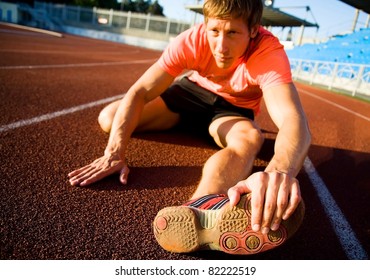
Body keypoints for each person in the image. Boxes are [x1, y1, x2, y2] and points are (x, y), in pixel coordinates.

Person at [68, 0, 311, 255]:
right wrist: (114, 153)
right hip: (190, 94)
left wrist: (278, 172)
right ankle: (183, 126)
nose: (221, 46)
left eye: (232, 33)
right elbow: (140, 91)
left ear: (253, 30)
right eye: (214, 31)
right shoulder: (191, 41)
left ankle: (201, 210)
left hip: (231, 110)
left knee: (250, 138)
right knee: (109, 118)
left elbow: (293, 120)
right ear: (205, 24)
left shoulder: (267, 51)